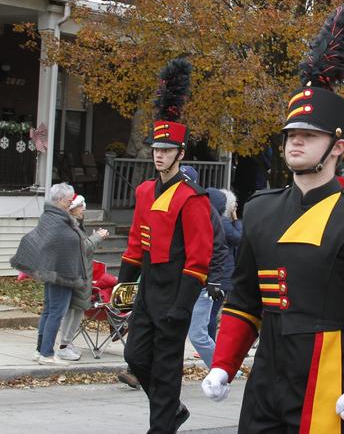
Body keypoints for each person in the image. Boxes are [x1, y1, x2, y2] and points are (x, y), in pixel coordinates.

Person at [202, 2, 344, 430]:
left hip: (331, 377)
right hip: (268, 375)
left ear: (338, 147)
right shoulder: (260, 208)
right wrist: (224, 363)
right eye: (291, 134)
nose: (295, 142)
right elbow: (245, 300)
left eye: (309, 135)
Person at [119, 58, 212, 434]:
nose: (159, 154)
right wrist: (122, 290)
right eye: (156, 147)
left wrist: (183, 304)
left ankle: (162, 427)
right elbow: (132, 245)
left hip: (175, 291)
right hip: (147, 292)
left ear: (180, 153)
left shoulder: (193, 198)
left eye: (167, 148)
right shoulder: (144, 191)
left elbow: (199, 258)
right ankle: (171, 410)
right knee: (135, 358)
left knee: (167, 367)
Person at [10, 183, 87, 366]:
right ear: (60, 200)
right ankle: (47, 353)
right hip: (60, 272)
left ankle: (40, 350)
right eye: (69, 201)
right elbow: (55, 242)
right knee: (56, 313)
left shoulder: (51, 215)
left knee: (48, 311)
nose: (71, 204)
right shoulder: (57, 219)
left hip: (53, 270)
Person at [56, 195, 109, 361]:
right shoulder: (69, 225)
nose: (83, 209)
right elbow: (82, 249)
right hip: (74, 275)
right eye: (80, 206)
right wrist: (97, 237)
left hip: (81, 274)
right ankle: (63, 345)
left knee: (78, 311)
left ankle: (68, 342)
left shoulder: (76, 225)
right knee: (71, 311)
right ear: (71, 208)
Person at [187, 182, 229, 370]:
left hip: (206, 285)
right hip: (188, 281)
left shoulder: (218, 224)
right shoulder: (195, 217)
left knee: (197, 334)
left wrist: (214, 282)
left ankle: (221, 369)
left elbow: (220, 251)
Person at [209, 188, 241, 339]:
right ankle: (209, 342)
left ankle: (208, 342)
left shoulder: (212, 221)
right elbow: (239, 239)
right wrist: (236, 219)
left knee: (210, 311)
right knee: (212, 312)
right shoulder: (224, 223)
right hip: (223, 275)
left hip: (217, 274)